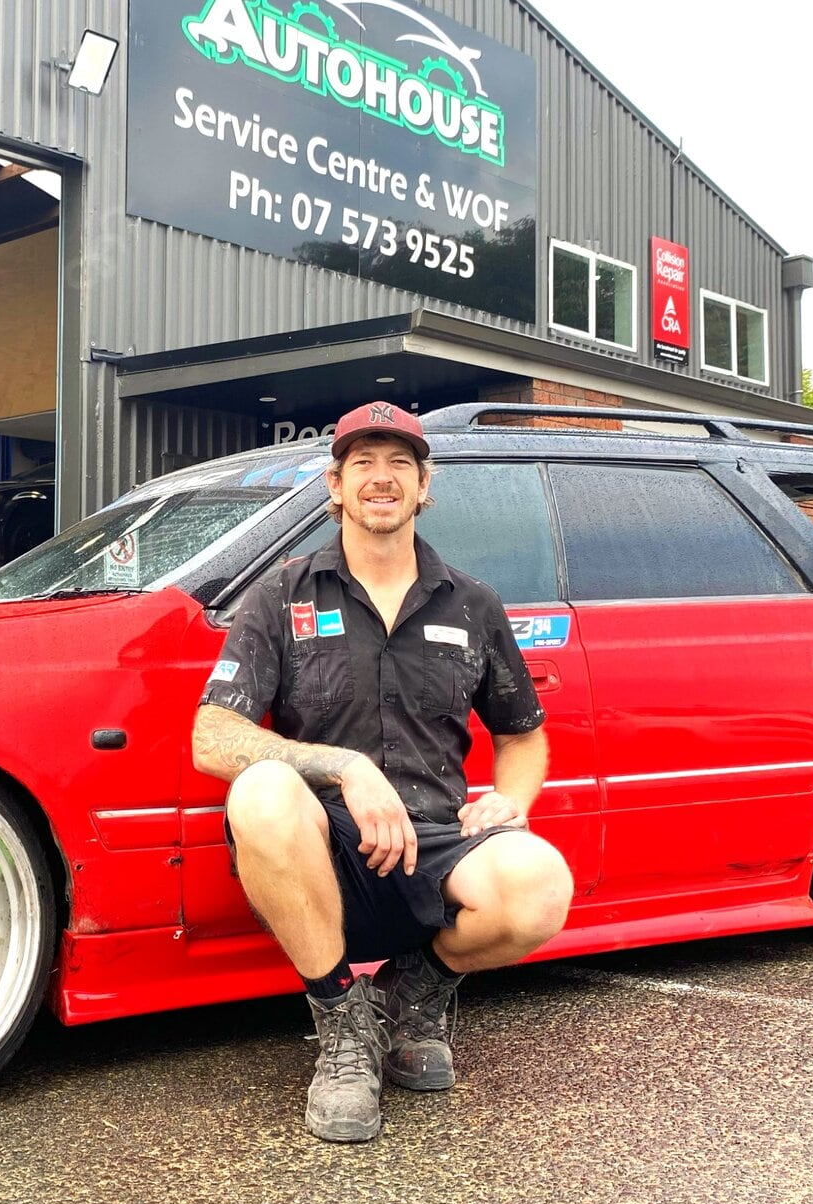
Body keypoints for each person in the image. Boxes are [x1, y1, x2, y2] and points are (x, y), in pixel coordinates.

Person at [192, 400, 574, 1142]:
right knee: (262, 790)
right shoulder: (282, 594)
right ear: (335, 486)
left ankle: (409, 995)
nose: (381, 477)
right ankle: (342, 1027)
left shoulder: (473, 604)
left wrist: (512, 800)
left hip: (438, 842)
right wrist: (342, 767)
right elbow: (213, 736)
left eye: (400, 462)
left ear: (425, 487)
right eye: (363, 462)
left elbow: (523, 734)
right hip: (326, 847)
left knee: (541, 886)